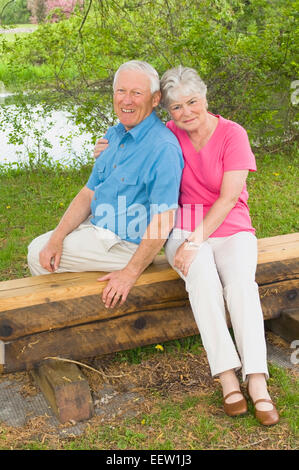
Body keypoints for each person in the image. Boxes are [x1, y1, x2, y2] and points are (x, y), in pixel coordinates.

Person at [94, 65, 279, 426]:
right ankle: (227, 377)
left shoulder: (232, 134)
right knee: (203, 281)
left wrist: (196, 242)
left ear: (205, 98)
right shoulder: (168, 135)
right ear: (168, 110)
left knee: (241, 285)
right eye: (177, 107)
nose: (186, 112)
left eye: (192, 102)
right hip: (181, 225)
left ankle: (257, 381)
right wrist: (105, 144)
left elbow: (227, 200)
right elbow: (129, 137)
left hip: (230, 226)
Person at [27, 60, 184, 309]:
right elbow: (88, 192)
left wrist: (130, 272)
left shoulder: (162, 148)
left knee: (37, 253)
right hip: (99, 229)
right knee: (47, 248)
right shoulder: (114, 135)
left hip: (126, 244)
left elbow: (164, 219)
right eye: (121, 91)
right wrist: (57, 237)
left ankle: (71, 319)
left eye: (136, 93)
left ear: (155, 99)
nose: (127, 100)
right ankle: (70, 316)